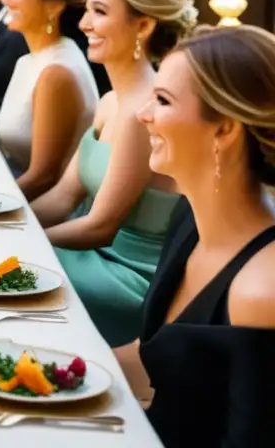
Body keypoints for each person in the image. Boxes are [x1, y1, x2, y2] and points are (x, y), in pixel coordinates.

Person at [115, 25, 275, 446]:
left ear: (224, 128)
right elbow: (148, 354)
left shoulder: (261, 292)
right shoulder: (189, 217)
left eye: (163, 100)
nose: (141, 113)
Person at [31, 0, 194, 345]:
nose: (84, 23)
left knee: (9, 277)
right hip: (89, 256)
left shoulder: (146, 112)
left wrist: (22, 241)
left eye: (99, 12)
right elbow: (64, 195)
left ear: (143, 25)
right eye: (87, 9)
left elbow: (100, 228)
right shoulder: (109, 101)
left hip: (125, 277)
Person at [0, 0, 99, 198]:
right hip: (21, 192)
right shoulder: (30, 60)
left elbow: (44, 178)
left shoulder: (56, 73)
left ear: (54, 5)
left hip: (46, 213)